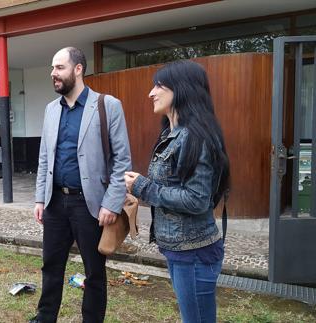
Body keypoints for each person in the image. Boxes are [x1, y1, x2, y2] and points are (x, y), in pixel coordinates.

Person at [124, 60, 230, 323]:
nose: (151, 92)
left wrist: (143, 187)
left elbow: (197, 200)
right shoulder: (172, 134)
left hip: (193, 252)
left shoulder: (197, 137)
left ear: (182, 90)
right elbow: (173, 187)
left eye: (159, 85)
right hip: (179, 249)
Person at [32, 47, 132, 323]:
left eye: (59, 67)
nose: (53, 74)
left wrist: (111, 203)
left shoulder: (107, 105)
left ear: (78, 69)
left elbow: (122, 160)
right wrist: (40, 198)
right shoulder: (51, 110)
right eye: (52, 68)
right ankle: (45, 316)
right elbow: (44, 157)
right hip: (55, 203)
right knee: (51, 265)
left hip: (90, 205)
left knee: (94, 271)